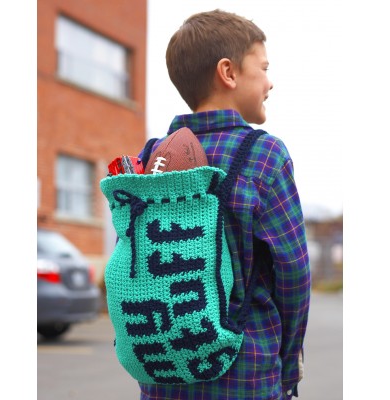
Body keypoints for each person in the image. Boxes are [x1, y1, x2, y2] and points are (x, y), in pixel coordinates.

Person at [139, 9, 311, 400]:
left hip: (163, 375)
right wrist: (287, 368)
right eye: (263, 68)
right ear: (228, 73)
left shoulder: (151, 157)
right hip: (246, 375)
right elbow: (294, 276)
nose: (271, 82)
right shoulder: (264, 154)